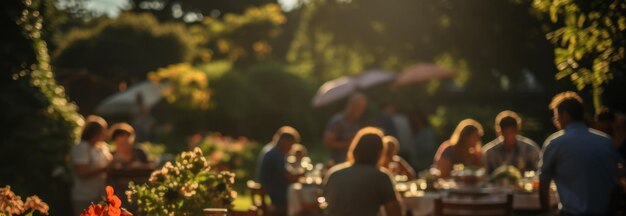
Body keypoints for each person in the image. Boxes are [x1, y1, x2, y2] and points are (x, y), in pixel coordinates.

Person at [539, 91, 619, 215]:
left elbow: (544, 183)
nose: (556, 121)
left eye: (556, 116)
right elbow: (615, 183)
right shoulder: (606, 142)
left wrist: (546, 211)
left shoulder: (556, 143)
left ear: (565, 115)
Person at [324, 127, 402, 216]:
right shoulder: (381, 177)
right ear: (379, 153)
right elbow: (395, 212)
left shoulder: (334, 174)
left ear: (355, 149)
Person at [71, 115, 113, 215]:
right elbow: (82, 173)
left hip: (100, 195)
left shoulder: (102, 147)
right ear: (95, 132)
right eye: (104, 130)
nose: (106, 133)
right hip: (84, 196)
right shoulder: (82, 147)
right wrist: (105, 169)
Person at [259, 126, 302, 216]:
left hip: (272, 191)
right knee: (302, 201)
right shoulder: (275, 155)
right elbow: (289, 176)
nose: (291, 148)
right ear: (285, 141)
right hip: (276, 195)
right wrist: (302, 173)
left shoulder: (272, 151)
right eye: (291, 144)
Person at [324, 93, 367, 164]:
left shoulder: (355, 122)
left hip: (350, 162)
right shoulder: (337, 121)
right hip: (336, 162)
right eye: (360, 107)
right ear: (352, 105)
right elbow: (327, 143)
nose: (362, 110)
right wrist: (348, 144)